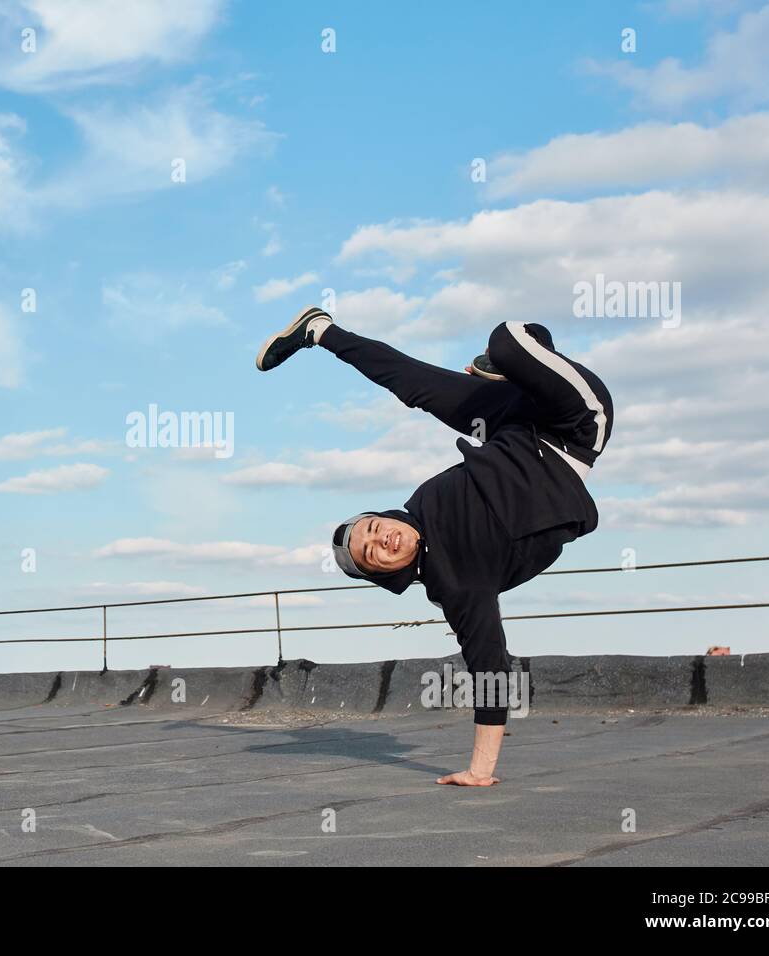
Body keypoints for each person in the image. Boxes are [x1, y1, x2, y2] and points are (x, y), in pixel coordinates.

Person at [256, 306, 613, 786]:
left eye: (372, 527)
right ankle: (518, 362)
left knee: (412, 384)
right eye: (373, 553)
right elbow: (488, 661)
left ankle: (320, 330)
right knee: (509, 339)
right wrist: (480, 770)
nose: (381, 537)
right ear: (386, 573)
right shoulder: (457, 583)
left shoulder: (417, 506)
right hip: (571, 430)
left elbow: (414, 381)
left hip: (506, 421)